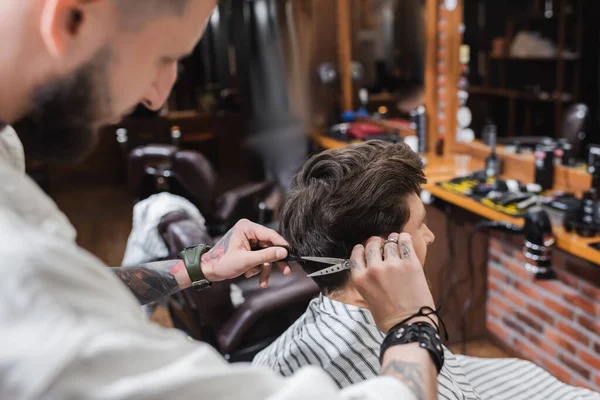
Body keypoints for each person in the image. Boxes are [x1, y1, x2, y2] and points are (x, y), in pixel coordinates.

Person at [0, 1, 443, 399]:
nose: (156, 99)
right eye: (165, 56)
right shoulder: (20, 264)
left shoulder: (10, 165)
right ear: (72, 18)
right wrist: (414, 323)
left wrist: (199, 266)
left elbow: (86, 291)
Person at [253, 141, 600, 400]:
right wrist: (414, 324)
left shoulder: (266, 364)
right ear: (379, 253)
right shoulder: (387, 376)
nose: (431, 236)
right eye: (420, 226)